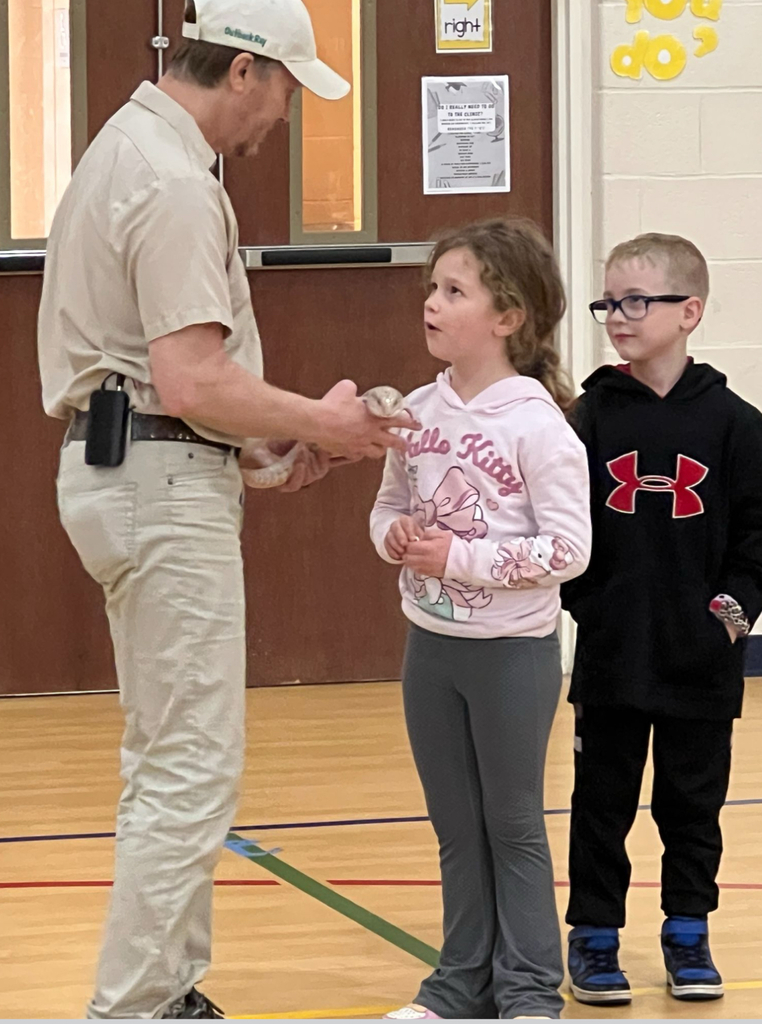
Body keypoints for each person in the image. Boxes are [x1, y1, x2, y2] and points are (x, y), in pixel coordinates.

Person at [37, 0, 416, 1018]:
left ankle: (169, 990)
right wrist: (322, 424)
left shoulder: (128, 152)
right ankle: (137, 1008)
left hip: (138, 468)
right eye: (287, 89)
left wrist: (253, 447)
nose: (284, 117)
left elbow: (170, 391)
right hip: (154, 484)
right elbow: (191, 379)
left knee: (168, 759)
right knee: (191, 769)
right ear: (244, 72)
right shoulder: (171, 184)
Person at [369, 218, 592, 1021]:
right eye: (432, 287)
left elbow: (570, 549)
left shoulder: (539, 427)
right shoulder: (418, 410)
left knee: (513, 826)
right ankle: (457, 985)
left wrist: (458, 562)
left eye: (453, 291)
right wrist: (392, 536)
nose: (431, 302)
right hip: (431, 648)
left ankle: (531, 991)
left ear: (508, 318)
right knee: (456, 830)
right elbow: (390, 505)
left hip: (512, 656)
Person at [562, 233, 762, 1007]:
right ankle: (595, 937)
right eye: (609, 301)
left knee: (693, 804)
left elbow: (756, 541)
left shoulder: (738, 426)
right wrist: (590, 606)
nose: (618, 315)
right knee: (600, 801)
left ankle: (688, 931)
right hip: (613, 654)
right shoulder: (587, 418)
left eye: (636, 301)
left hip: (700, 661)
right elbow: (565, 527)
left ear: (690, 312)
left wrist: (727, 618)